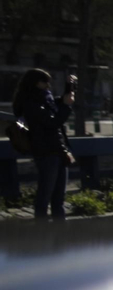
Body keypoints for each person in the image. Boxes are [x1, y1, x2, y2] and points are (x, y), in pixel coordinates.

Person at [12, 68, 73, 221]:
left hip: (58, 150)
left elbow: (56, 106)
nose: (48, 86)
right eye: (44, 82)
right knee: (45, 194)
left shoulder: (45, 99)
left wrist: (69, 88)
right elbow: (52, 122)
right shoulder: (30, 102)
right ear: (35, 83)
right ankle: (42, 231)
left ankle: (60, 233)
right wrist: (65, 106)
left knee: (59, 198)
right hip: (46, 152)